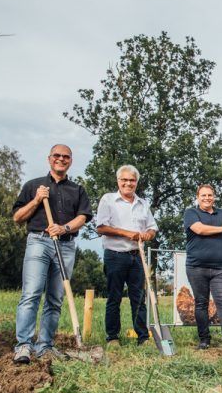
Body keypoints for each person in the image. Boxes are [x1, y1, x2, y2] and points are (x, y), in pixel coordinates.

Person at [11, 144, 92, 363]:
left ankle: (45, 345)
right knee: (32, 293)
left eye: (66, 157)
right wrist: (37, 200)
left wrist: (64, 228)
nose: (61, 159)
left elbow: (83, 217)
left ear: (70, 161)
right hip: (39, 241)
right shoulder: (34, 185)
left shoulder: (77, 190)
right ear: (49, 159)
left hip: (65, 246)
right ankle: (24, 346)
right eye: (57, 155)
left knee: (55, 298)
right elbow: (18, 217)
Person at [95, 165, 158, 348]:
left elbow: (152, 227)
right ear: (118, 181)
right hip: (115, 255)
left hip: (137, 256)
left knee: (138, 298)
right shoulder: (108, 200)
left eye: (132, 180)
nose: (128, 183)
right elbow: (101, 227)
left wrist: (148, 234)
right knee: (114, 297)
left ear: (136, 182)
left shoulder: (143, 203)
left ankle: (143, 337)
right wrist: (127, 233)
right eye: (124, 180)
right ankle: (112, 337)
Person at [183, 184, 222, 350]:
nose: (207, 198)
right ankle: (204, 339)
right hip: (196, 267)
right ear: (198, 197)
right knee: (201, 303)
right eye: (203, 195)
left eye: (210, 195)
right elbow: (200, 229)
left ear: (214, 197)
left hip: (219, 268)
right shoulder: (191, 213)